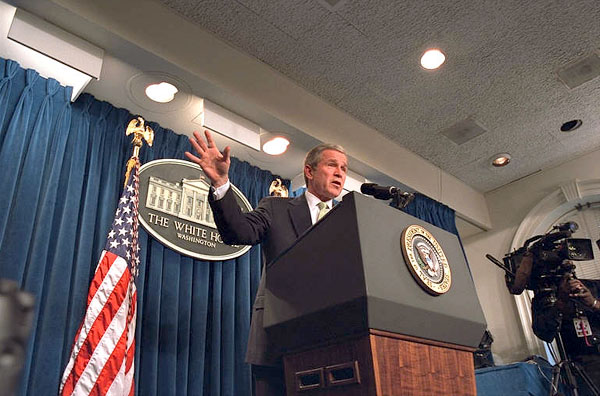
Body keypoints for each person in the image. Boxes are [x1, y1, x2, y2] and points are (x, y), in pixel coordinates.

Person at [185, 130, 348, 396]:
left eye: (344, 168)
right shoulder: (276, 209)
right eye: (332, 165)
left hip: (334, 343)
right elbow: (238, 232)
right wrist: (221, 183)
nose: (340, 173)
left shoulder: (346, 222)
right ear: (309, 170)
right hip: (278, 341)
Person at [532, 273, 600, 393]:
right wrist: (561, 302)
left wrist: (593, 303)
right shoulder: (544, 297)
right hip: (582, 370)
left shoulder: (593, 286)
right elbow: (544, 334)